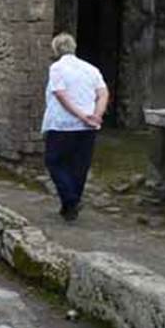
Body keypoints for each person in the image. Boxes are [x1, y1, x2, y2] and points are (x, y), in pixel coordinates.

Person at [41, 32, 109, 222]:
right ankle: (70, 207)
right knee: (79, 166)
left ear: (55, 49)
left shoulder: (57, 68)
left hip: (62, 125)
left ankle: (71, 200)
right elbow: (103, 93)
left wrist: (82, 116)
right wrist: (96, 115)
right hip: (88, 128)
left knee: (54, 161)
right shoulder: (91, 69)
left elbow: (61, 95)